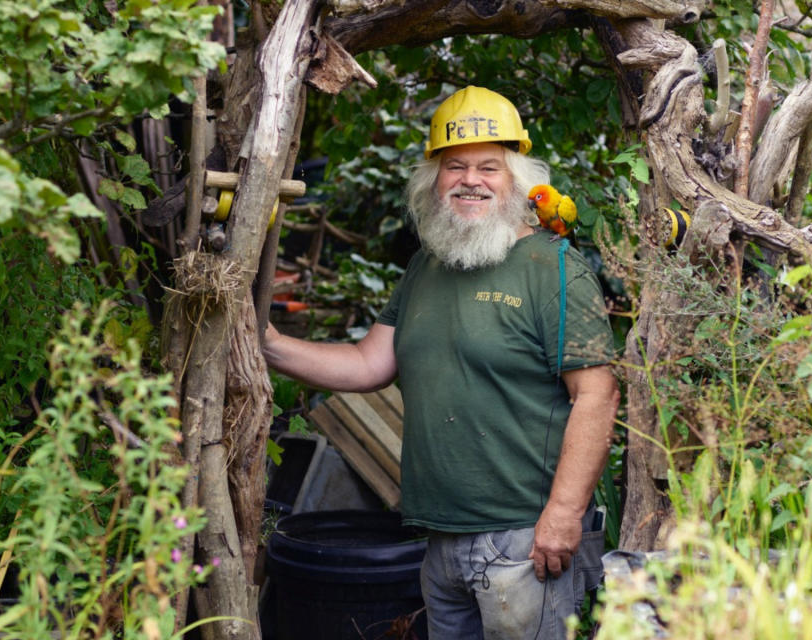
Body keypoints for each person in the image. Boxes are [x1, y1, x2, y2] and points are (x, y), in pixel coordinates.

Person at [263, 86, 619, 639]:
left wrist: (565, 515)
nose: (470, 180)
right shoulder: (426, 267)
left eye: (488, 168)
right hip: (441, 541)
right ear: (433, 179)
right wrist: (268, 345)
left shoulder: (554, 269)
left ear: (518, 181)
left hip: (527, 541)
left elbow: (597, 394)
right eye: (455, 166)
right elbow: (366, 364)